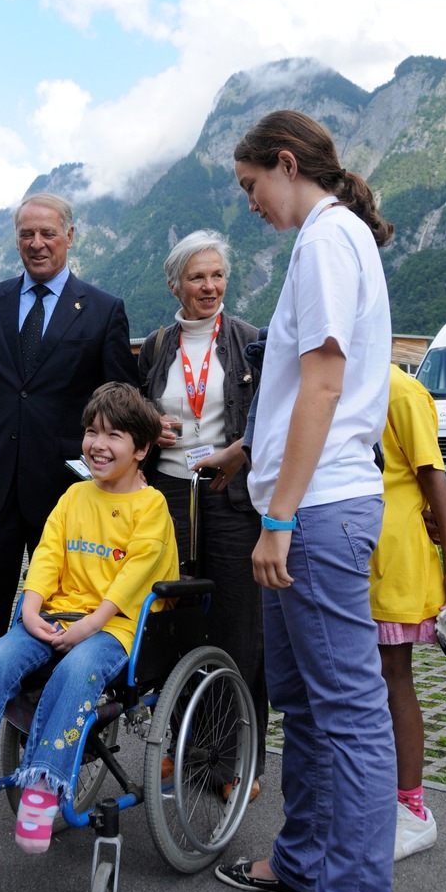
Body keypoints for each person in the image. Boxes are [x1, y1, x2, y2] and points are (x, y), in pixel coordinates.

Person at [211, 111, 397, 892]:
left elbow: (325, 386)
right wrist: (245, 453)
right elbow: (300, 392)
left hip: (314, 513)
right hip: (306, 500)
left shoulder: (325, 241)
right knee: (306, 701)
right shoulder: (333, 237)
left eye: (251, 185)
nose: (249, 202)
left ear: (285, 165)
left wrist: (277, 515)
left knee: (348, 714)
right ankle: (302, 864)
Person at [0, 383, 178, 853]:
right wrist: (30, 607)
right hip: (56, 614)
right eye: (91, 432)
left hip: (116, 627)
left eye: (114, 435)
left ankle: (43, 787)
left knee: (78, 668)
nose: (98, 444)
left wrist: (90, 626)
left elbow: (136, 576)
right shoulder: (74, 496)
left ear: (141, 449)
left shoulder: (152, 506)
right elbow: (46, 555)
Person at [0, 192, 138, 719]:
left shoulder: (103, 309)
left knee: (60, 614)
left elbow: (121, 397)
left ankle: (48, 730)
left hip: (66, 493)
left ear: (70, 236)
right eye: (26, 234)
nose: (36, 243)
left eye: (48, 233)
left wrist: (147, 432)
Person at [138, 230, 267, 795]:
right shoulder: (158, 343)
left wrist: (236, 450)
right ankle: (185, 744)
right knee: (178, 623)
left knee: (238, 624)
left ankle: (237, 758)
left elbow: (269, 417)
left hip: (229, 495)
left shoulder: (249, 341)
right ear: (175, 283)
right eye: (197, 277)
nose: (209, 286)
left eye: (217, 275)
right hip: (168, 496)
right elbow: (140, 406)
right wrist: (152, 424)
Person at [372, 363, 446, 861]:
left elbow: (434, 478)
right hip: (351, 551)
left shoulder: (400, 389)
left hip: (393, 558)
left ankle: (412, 809)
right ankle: (371, 797)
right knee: (356, 683)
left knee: (394, 677)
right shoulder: (337, 381)